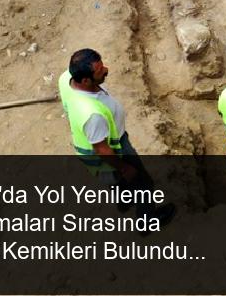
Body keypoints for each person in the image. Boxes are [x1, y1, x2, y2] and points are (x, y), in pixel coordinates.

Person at [59, 48, 174, 223]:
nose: (106, 70)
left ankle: (124, 203)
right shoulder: (92, 115)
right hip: (114, 150)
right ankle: (147, 222)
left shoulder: (67, 78)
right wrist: (125, 168)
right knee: (143, 184)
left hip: (93, 149)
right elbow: (103, 150)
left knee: (118, 182)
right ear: (85, 80)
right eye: (100, 71)